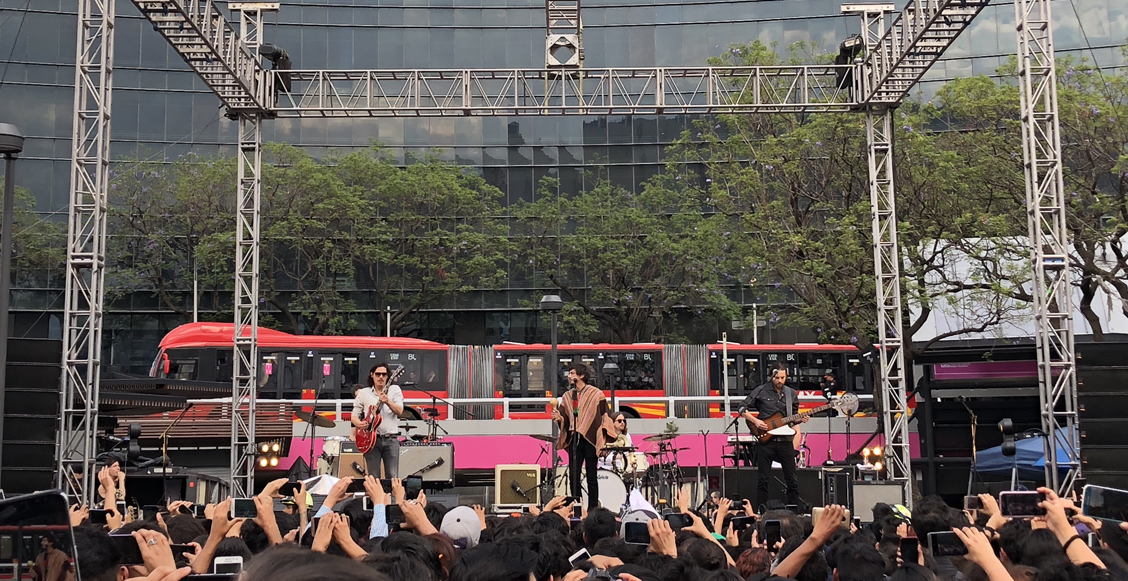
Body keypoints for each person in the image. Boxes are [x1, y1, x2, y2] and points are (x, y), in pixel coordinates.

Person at [740, 364, 807, 507]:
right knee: (763, 478)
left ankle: (792, 510)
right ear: (772, 376)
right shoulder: (761, 390)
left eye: (783, 377)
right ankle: (761, 509)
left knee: (791, 478)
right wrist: (756, 421)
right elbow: (742, 408)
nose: (780, 380)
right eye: (777, 377)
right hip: (766, 441)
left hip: (785, 441)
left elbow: (793, 418)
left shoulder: (791, 393)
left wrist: (801, 418)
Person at [553, 363, 614, 509]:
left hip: (591, 439)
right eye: (569, 373)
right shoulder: (567, 396)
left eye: (572, 373)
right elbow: (565, 418)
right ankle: (577, 506)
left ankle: (592, 509)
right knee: (574, 476)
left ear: (581, 376)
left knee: (592, 476)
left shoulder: (596, 394)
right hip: (575, 439)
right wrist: (559, 419)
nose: (569, 376)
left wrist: (604, 436)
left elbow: (604, 414)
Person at [352, 362, 403, 478]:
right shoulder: (364, 393)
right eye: (378, 374)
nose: (381, 377)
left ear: (388, 376)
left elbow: (400, 411)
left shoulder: (395, 390)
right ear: (372, 375)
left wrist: (388, 401)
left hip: (391, 438)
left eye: (384, 375)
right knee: (373, 476)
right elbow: (354, 416)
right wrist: (359, 424)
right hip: (371, 440)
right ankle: (375, 496)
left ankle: (392, 496)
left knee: (393, 475)